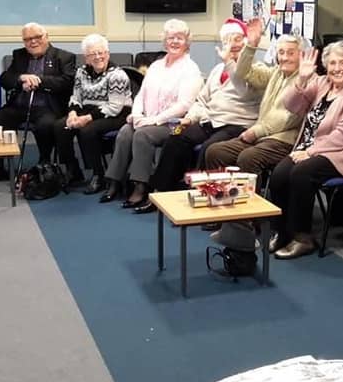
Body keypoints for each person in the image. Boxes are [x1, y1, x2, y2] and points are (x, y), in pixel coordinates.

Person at [132, 18, 264, 213]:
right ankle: (161, 193)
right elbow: (202, 101)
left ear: (246, 41)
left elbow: (244, 90)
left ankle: (204, 199)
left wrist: (230, 62)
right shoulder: (217, 70)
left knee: (209, 149)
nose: (233, 45)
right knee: (177, 138)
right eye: (228, 40)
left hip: (236, 124)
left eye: (238, 39)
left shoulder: (255, 69)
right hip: (210, 120)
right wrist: (190, 118)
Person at [204, 17, 307, 252]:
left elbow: (288, 117)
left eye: (290, 53)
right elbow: (243, 73)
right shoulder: (276, 74)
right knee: (215, 152)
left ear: (302, 55)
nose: (284, 57)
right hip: (263, 136)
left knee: (248, 158)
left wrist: (257, 130)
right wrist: (251, 44)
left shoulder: (305, 79)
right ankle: (227, 218)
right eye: (281, 52)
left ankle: (249, 225)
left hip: (284, 139)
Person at [269, 41, 343, 259]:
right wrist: (302, 79)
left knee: (301, 174)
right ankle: (281, 231)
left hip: (342, 152)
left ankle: (302, 237)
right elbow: (291, 105)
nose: (336, 68)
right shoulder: (322, 83)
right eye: (332, 63)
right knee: (279, 174)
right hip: (308, 148)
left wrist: (312, 151)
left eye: (342, 62)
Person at [98, 19, 202, 209]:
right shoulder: (156, 66)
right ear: (164, 41)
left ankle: (141, 186)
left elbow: (184, 105)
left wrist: (153, 120)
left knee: (142, 135)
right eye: (171, 38)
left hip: (173, 123)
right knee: (124, 132)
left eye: (180, 38)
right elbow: (141, 94)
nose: (175, 42)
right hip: (147, 118)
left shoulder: (190, 69)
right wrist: (137, 115)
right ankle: (114, 182)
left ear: (187, 42)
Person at [0, 22, 76, 184]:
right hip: (19, 106)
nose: (33, 42)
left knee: (46, 124)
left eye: (37, 37)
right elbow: (4, 79)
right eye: (28, 39)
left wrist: (39, 80)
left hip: (47, 108)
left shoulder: (64, 57)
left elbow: (67, 82)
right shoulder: (19, 55)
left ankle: (44, 163)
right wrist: (21, 78)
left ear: (47, 37)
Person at [54, 33, 132, 194]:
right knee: (60, 126)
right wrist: (72, 113)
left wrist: (86, 119)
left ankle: (99, 175)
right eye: (92, 54)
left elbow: (114, 107)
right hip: (89, 111)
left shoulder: (117, 75)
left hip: (117, 115)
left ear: (107, 54)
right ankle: (73, 170)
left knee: (87, 130)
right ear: (86, 58)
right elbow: (76, 96)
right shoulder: (81, 72)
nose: (98, 57)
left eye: (101, 52)